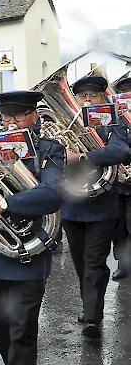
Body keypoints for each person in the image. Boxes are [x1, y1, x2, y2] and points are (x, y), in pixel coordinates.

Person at [0, 90, 66, 365]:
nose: (13, 122)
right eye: (8, 115)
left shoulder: (49, 149)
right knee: (1, 331)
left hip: (29, 255)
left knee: (22, 333)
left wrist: (3, 204)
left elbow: (53, 194)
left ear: (34, 116)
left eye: (21, 115)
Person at [60, 75, 129, 339]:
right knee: (81, 263)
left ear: (103, 97)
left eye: (93, 95)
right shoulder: (66, 124)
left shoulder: (113, 123)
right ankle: (89, 303)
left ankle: (93, 318)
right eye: (82, 96)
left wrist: (83, 156)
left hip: (102, 206)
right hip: (71, 205)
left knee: (94, 262)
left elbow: (121, 151)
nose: (87, 100)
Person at [111, 75, 131, 280]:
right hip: (116, 182)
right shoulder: (113, 119)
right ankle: (122, 263)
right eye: (123, 95)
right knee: (118, 228)